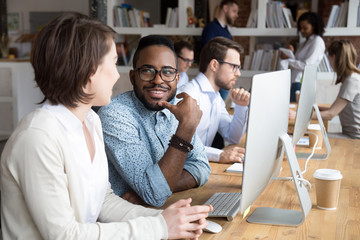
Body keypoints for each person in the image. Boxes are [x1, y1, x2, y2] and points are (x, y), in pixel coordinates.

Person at [0, 13, 212, 239]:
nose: (116, 75)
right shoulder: (38, 137)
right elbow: (64, 235)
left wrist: (163, 219)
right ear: (89, 70)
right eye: (112, 63)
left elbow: (103, 201)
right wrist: (159, 228)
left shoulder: (90, 121)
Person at [98, 35, 211, 208]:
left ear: (177, 78)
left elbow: (201, 167)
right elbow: (155, 194)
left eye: (167, 72)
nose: (158, 80)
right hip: (125, 225)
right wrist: (186, 128)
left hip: (159, 214)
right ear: (133, 77)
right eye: (147, 71)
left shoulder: (177, 111)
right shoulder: (115, 115)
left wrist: (151, 190)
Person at [178, 37, 249, 163]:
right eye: (234, 67)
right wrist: (219, 155)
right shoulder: (188, 94)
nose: (238, 73)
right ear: (214, 65)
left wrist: (241, 106)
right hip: (180, 172)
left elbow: (232, 137)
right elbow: (179, 144)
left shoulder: (216, 97)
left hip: (199, 169)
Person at [290, 40, 360, 139]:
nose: (330, 63)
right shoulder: (351, 78)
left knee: (310, 137)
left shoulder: (352, 81)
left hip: (354, 139)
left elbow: (331, 114)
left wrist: (298, 116)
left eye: (329, 59)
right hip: (351, 135)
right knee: (310, 137)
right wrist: (314, 107)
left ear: (334, 57)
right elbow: (337, 109)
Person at [279, 11, 325, 102]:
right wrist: (290, 54)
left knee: (295, 111)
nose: (302, 31)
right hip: (295, 81)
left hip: (301, 83)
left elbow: (306, 65)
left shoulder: (317, 42)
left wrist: (289, 60)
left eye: (305, 28)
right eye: (300, 28)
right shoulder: (305, 43)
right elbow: (298, 62)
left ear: (314, 26)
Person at [201, 0, 239, 101]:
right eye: (234, 11)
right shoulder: (211, 28)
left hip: (226, 77)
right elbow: (210, 53)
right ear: (225, 8)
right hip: (216, 78)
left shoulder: (227, 30)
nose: (237, 15)